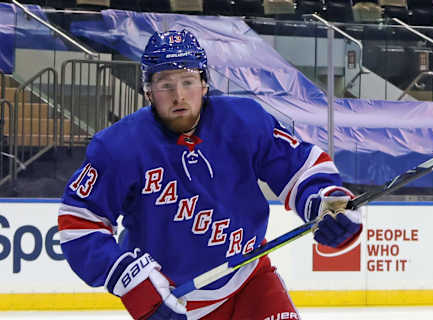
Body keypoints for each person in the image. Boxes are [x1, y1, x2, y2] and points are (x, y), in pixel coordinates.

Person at [58, 29, 362, 320]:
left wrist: (324, 201)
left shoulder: (244, 121)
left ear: (205, 84)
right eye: (165, 84)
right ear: (148, 91)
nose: (178, 96)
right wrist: (128, 276)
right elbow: (80, 222)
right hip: (174, 303)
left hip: (249, 282)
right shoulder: (119, 147)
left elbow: (299, 166)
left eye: (188, 82)